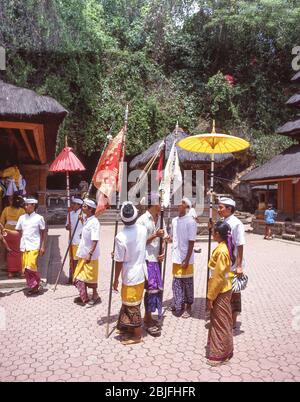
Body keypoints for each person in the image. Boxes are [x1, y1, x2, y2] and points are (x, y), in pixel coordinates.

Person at [113, 201, 147, 345]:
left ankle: (137, 335)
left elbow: (119, 261)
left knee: (132, 305)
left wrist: (115, 280)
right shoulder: (143, 230)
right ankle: (126, 326)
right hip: (141, 272)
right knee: (131, 302)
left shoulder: (120, 237)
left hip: (130, 274)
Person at [137, 192, 165, 336]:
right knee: (150, 289)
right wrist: (155, 235)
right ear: (154, 203)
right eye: (159, 201)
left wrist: (163, 252)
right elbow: (139, 242)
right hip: (146, 259)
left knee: (155, 290)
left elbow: (164, 237)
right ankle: (147, 319)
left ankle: (149, 316)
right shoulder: (142, 220)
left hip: (156, 259)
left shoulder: (160, 218)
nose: (161, 203)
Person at [206, 221, 234, 366]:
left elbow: (218, 277)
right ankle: (226, 350)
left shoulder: (222, 251)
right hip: (224, 288)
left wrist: (210, 296)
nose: (212, 233)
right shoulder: (222, 247)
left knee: (220, 322)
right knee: (223, 320)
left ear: (218, 234)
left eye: (213, 232)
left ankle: (221, 354)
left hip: (220, 290)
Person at [217, 197, 245, 330]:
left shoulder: (237, 223)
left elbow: (240, 245)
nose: (218, 210)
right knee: (224, 291)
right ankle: (225, 317)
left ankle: (233, 320)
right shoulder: (224, 222)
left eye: (221, 207)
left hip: (234, 265)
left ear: (229, 209)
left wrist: (239, 266)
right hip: (224, 264)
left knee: (234, 293)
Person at [170, 197, 197, 318]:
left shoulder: (191, 222)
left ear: (187, 207)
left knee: (187, 282)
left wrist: (186, 259)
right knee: (176, 281)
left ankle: (188, 306)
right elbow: (172, 236)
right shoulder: (174, 220)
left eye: (182, 203)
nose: (178, 205)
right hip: (176, 256)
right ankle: (178, 303)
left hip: (186, 257)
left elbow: (192, 242)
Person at [12, 197, 46, 295]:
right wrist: (6, 231)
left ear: (33, 206)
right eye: (25, 204)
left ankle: (36, 283)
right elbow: (17, 231)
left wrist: (43, 246)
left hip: (34, 245)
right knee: (26, 269)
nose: (25, 206)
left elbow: (43, 232)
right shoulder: (22, 218)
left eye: (28, 204)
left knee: (30, 266)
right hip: (24, 246)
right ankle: (34, 286)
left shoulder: (39, 218)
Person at [73, 199, 101, 307]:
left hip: (90, 255)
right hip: (83, 253)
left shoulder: (95, 223)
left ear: (90, 209)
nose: (82, 207)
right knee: (80, 276)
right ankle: (83, 296)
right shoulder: (88, 220)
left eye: (84, 206)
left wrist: (90, 253)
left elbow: (95, 239)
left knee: (90, 277)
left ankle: (95, 296)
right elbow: (86, 231)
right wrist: (82, 222)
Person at [0, 194, 25, 278]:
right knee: (18, 252)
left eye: (11, 200)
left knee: (9, 252)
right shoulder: (21, 211)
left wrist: (2, 231)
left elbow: (1, 222)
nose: (10, 201)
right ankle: (20, 270)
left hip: (7, 233)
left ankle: (10, 271)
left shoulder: (6, 209)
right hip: (17, 233)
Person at [66, 197, 84, 278]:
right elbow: (66, 226)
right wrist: (68, 226)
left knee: (77, 259)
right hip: (71, 240)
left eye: (74, 204)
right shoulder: (70, 214)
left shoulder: (83, 214)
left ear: (79, 205)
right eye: (72, 203)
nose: (72, 205)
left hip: (78, 241)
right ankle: (71, 276)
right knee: (71, 259)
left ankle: (76, 276)